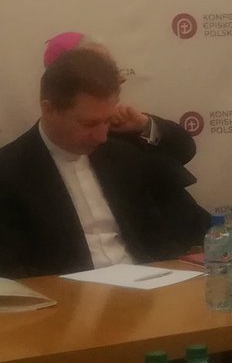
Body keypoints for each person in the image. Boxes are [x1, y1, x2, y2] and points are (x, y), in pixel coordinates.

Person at [0, 47, 210, 279]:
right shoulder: (9, 171)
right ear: (49, 109)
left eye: (107, 121)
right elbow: (13, 269)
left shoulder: (121, 152)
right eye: (89, 124)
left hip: (149, 282)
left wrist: (143, 124)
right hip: (69, 293)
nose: (101, 136)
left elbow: (182, 151)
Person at [42, 31, 197, 170]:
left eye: (113, 67)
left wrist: (145, 125)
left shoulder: (126, 122)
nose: (120, 78)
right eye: (100, 70)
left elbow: (185, 151)